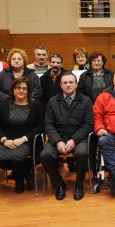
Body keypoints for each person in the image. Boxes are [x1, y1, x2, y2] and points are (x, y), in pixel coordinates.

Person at [40, 72, 94, 201]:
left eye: (71, 82)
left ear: (76, 84)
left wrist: (74, 140)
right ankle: (59, 184)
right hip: (58, 137)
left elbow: (88, 124)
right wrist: (58, 141)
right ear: (60, 85)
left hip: (78, 138)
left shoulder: (86, 101)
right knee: (45, 155)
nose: (68, 85)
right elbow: (48, 124)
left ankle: (79, 185)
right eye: (65, 83)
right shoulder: (53, 101)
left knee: (82, 153)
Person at [0, 78, 44, 194]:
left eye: (24, 88)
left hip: (28, 141)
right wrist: (4, 140)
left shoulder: (36, 105)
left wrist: (24, 139)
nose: (21, 91)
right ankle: (26, 172)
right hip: (6, 140)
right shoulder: (4, 104)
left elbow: (40, 127)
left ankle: (19, 181)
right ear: (13, 90)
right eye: (18, 88)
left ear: (28, 91)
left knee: (17, 159)